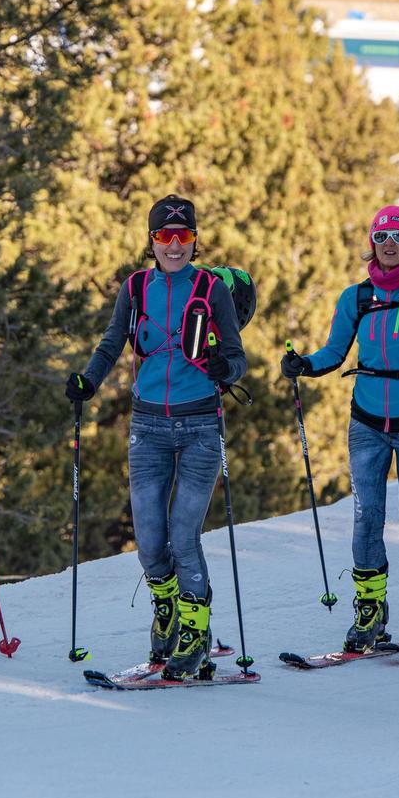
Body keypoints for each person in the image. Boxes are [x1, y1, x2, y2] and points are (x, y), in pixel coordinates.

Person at [65, 195, 247, 680]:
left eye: (182, 236)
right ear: (151, 241)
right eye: (164, 237)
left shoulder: (211, 289)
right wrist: (88, 380)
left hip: (200, 427)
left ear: (194, 239)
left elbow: (238, 357)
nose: (173, 245)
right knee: (148, 541)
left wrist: (221, 368)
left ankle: (195, 630)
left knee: (183, 536)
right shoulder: (137, 287)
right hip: (147, 427)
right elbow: (111, 343)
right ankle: (166, 611)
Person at [281, 205, 399, 652]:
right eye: (382, 236)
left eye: (398, 237)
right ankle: (370, 611)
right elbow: (334, 352)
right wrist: (304, 365)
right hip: (367, 422)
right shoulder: (357, 297)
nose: (389, 244)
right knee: (366, 518)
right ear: (372, 243)